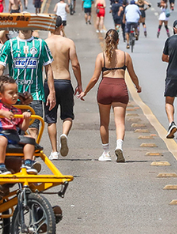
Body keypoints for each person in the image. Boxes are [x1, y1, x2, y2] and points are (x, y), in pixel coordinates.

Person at [81, 29, 141, 163]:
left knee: (104, 122)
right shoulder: (125, 56)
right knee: (120, 122)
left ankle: (106, 152)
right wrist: (137, 86)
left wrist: (85, 91)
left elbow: (94, 78)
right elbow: (133, 76)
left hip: (105, 88)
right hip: (120, 88)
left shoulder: (101, 56)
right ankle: (119, 146)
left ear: (106, 41)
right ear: (118, 40)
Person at [0, 27, 56, 139]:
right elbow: (0, 68)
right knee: (14, 129)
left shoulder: (41, 44)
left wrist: (52, 92)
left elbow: (48, 69)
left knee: (33, 129)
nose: (25, 26)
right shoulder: (10, 44)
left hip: (35, 94)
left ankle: (32, 150)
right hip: (13, 96)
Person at [44, 16, 83, 160]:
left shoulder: (44, 43)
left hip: (49, 83)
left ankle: (54, 151)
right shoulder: (68, 42)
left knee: (51, 118)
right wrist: (79, 83)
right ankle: (64, 134)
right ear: (61, 26)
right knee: (67, 115)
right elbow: (75, 65)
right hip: (65, 82)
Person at [0, 76, 38, 176]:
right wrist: (2, 113)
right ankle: (0, 166)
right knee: (2, 140)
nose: (15, 96)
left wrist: (26, 119)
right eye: (11, 93)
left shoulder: (16, 110)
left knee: (30, 139)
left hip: (13, 135)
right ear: (0, 95)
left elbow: (23, 127)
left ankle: (28, 163)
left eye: (16, 92)